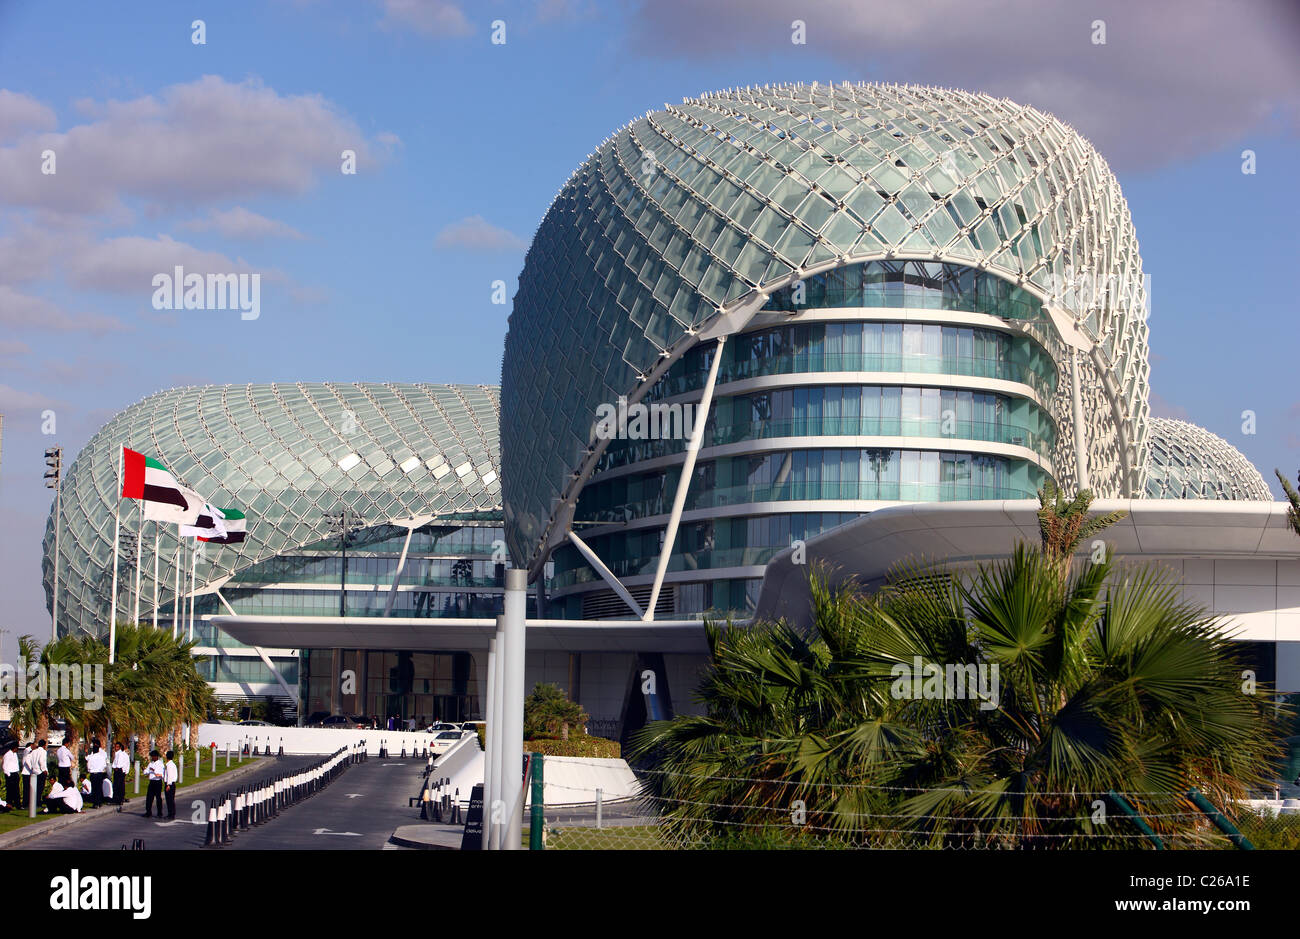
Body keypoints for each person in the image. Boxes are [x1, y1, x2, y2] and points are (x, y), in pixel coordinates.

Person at [25, 741, 47, 812]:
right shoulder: (43, 751)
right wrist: (44, 769)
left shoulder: (33, 751)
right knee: (40, 788)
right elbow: (41, 761)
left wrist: (31, 767)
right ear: (44, 745)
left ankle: (34, 802)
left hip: (34, 772)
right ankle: (37, 803)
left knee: (35, 788)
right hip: (40, 771)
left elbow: (27, 759)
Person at [85, 742, 108, 809]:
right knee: (99, 788)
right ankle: (99, 802)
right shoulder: (102, 757)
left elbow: (88, 766)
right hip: (99, 773)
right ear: (98, 750)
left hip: (93, 774)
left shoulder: (91, 757)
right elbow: (104, 765)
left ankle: (95, 803)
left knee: (94, 789)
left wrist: (91, 770)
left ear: (93, 750)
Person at [143, 750, 164, 818]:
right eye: (152, 756)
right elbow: (146, 771)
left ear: (157, 756)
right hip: (152, 781)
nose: (153, 758)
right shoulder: (151, 763)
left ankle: (159, 813)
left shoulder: (160, 764)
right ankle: (148, 812)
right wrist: (146, 771)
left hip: (157, 782)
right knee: (149, 797)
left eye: (154, 756)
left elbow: (160, 774)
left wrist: (153, 770)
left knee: (158, 798)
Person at [2, 745, 18, 811]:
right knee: (10, 791)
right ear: (14, 748)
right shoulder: (7, 754)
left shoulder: (15, 754)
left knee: (16, 790)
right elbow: (4, 765)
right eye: (17, 748)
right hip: (10, 774)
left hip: (15, 773)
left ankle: (17, 805)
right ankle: (9, 804)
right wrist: (8, 774)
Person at [163, 750, 178, 820]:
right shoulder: (173, 764)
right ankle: (171, 813)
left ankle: (171, 814)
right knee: (170, 799)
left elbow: (170, 775)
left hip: (170, 784)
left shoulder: (169, 765)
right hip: (172, 783)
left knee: (169, 800)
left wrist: (168, 785)